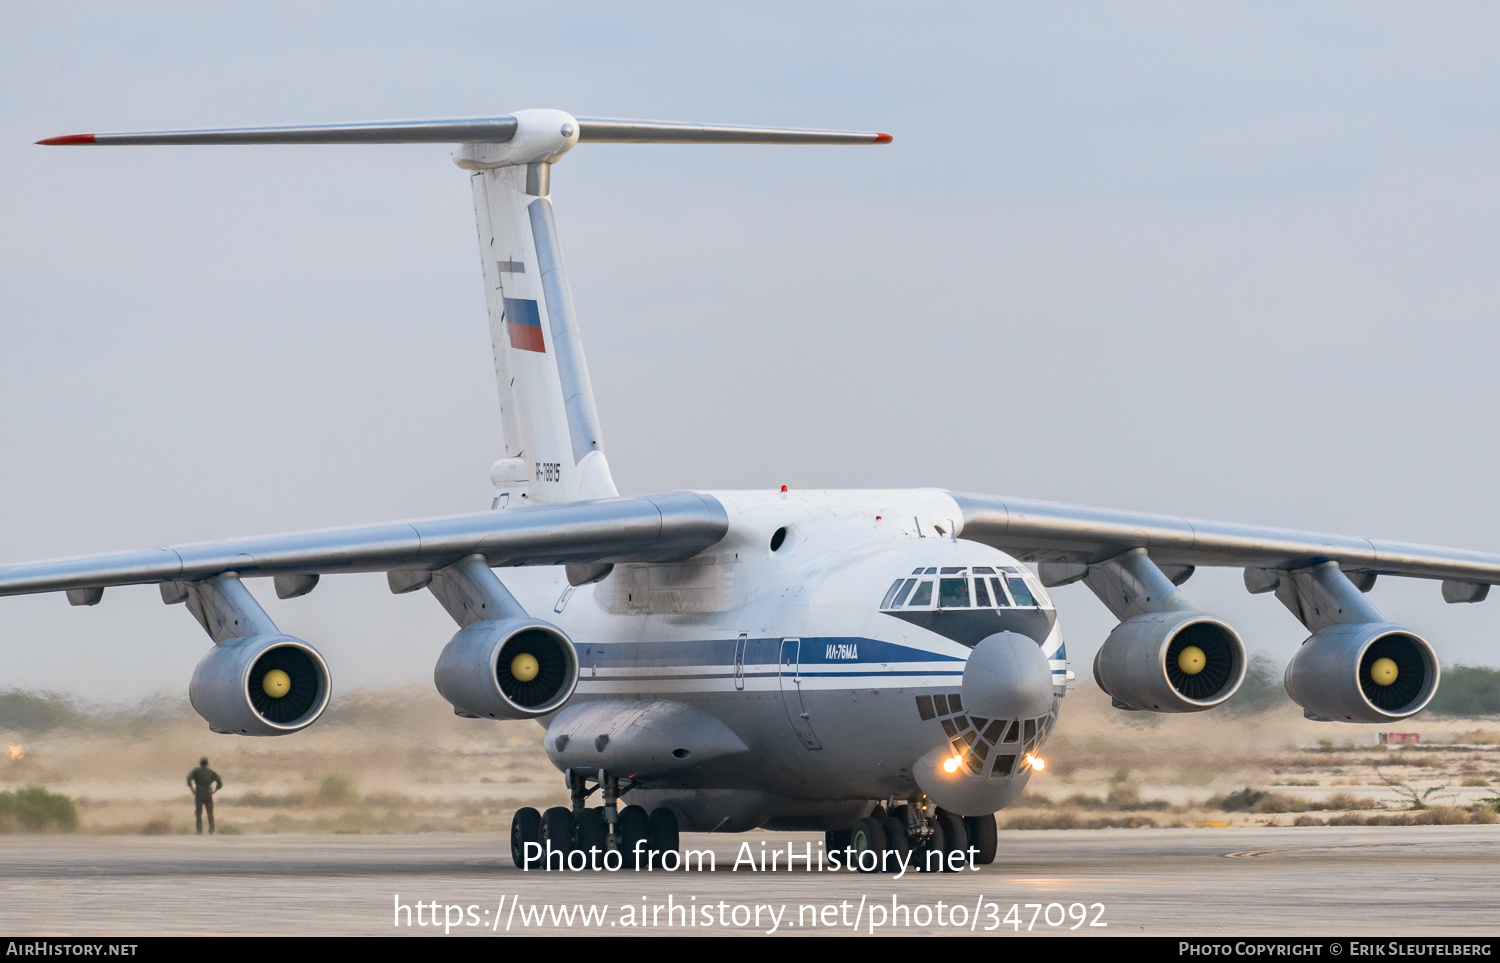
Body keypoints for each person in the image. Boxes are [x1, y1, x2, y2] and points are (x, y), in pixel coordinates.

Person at [187, 757, 222, 835]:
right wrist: (215, 790)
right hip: (208, 794)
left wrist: (192, 789)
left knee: (198, 813)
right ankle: (211, 831)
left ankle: (199, 831)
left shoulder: (196, 771)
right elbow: (219, 782)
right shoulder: (211, 772)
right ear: (207, 764)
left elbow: (189, 779)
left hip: (198, 794)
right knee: (210, 813)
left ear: (200, 763)